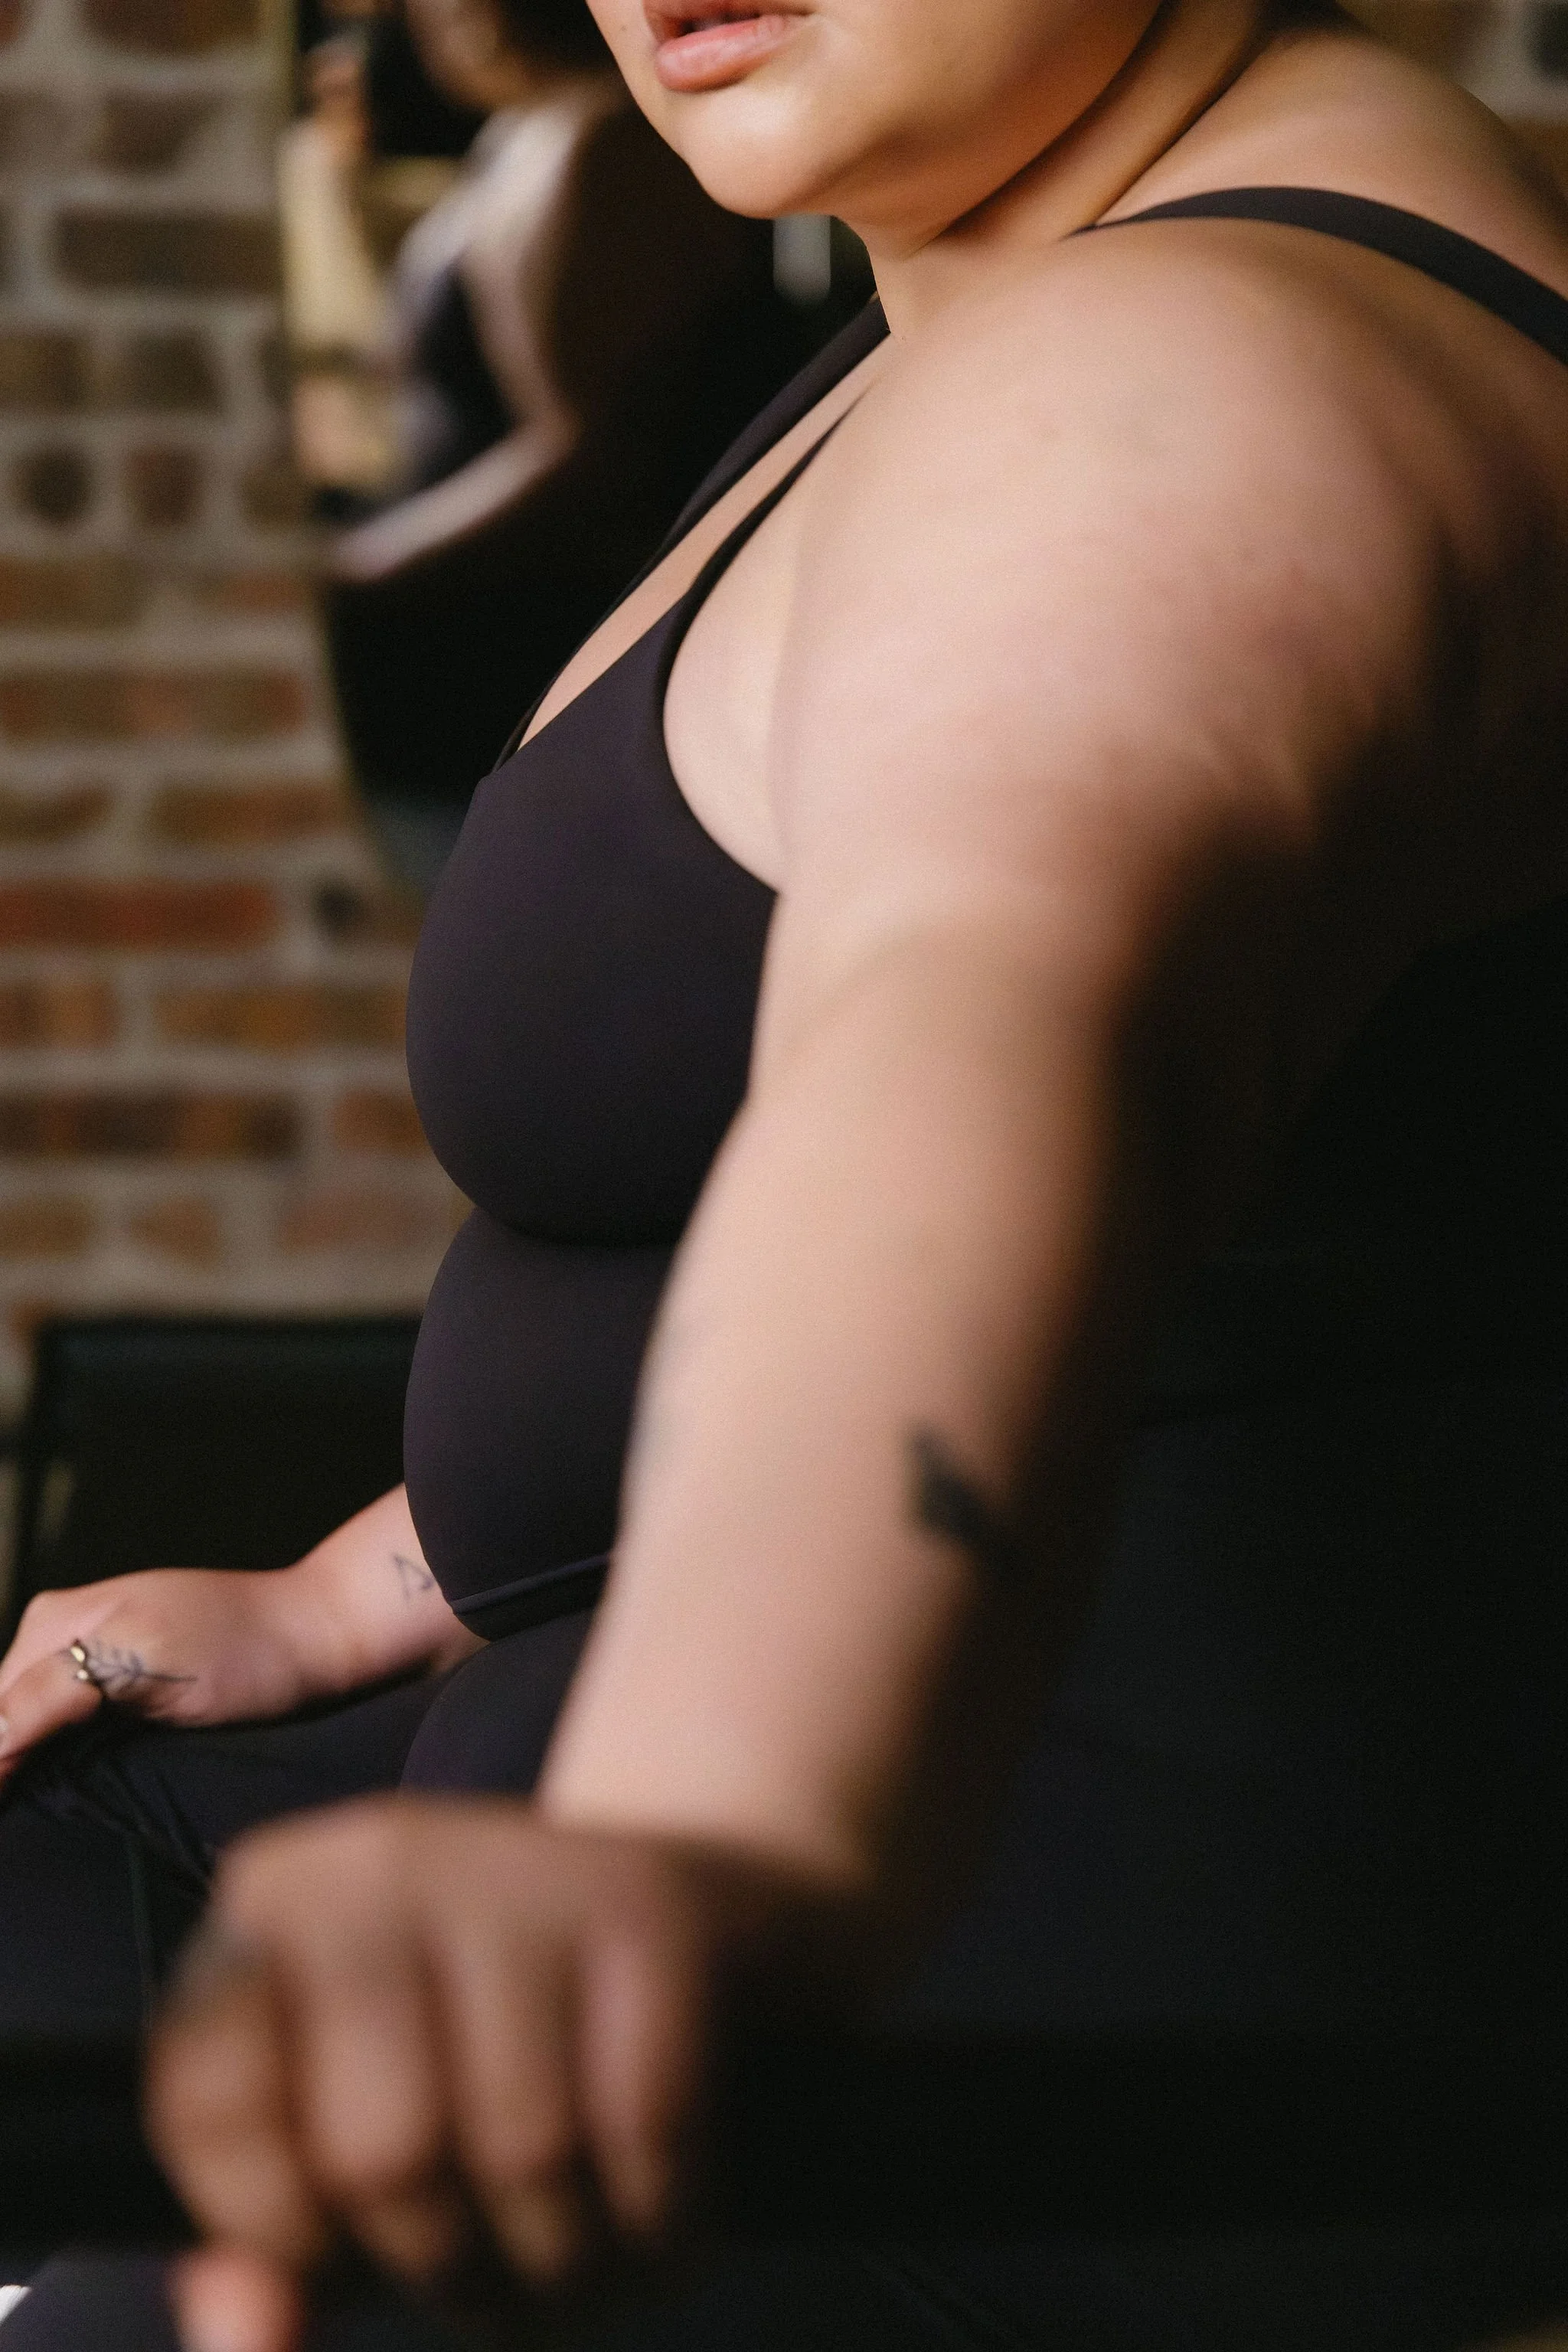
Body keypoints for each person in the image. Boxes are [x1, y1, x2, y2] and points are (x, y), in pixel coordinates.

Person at [7, 0, 1568, 2344]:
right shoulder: (1011, 274)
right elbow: (1266, 1273)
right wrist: (385, 1574)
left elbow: (964, 1050)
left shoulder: (1179, 381)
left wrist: (693, 1849)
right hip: (626, 1777)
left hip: (1025, 2022)